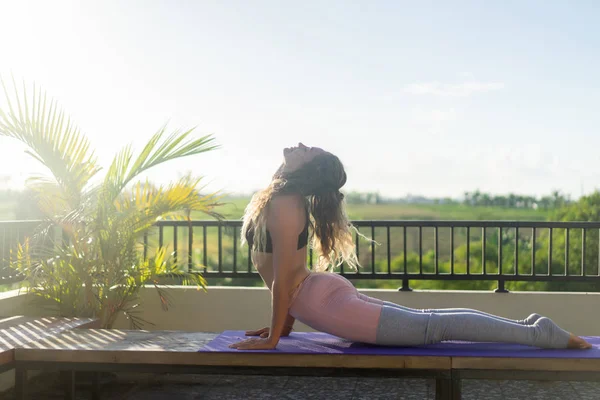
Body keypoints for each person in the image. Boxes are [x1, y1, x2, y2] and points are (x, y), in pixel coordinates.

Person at [229, 143, 592, 351]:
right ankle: (530, 326)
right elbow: (285, 275)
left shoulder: (285, 203)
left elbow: (285, 277)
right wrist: (282, 329)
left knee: (432, 328)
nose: (300, 145)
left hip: (318, 298)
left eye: (308, 149)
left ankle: (537, 333)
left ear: (306, 170)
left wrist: (275, 338)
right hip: (318, 293)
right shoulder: (282, 197)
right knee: (430, 321)